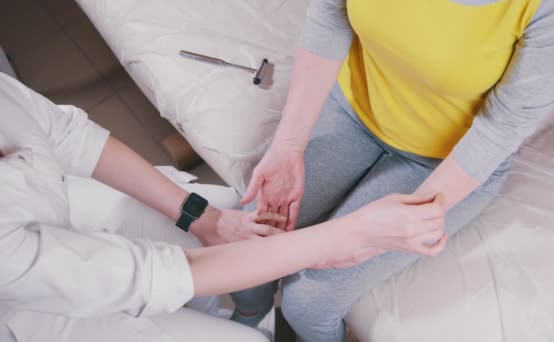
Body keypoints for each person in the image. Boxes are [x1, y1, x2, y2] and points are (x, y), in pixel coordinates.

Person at [232, 0, 554, 341]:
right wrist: (288, 147)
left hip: (449, 159)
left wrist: (391, 228)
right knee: (250, 239)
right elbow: (330, 14)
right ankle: (250, 320)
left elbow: (504, 125)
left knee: (309, 301)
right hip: (352, 108)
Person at [0, 72, 448, 342]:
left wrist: (203, 217)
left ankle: (246, 314)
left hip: (57, 211)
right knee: (286, 313)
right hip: (31, 312)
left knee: (235, 214)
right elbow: (155, 274)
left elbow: (68, 135)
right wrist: (349, 235)